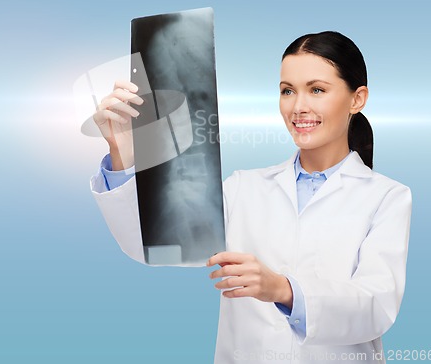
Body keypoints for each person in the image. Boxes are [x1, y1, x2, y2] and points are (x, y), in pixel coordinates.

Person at [89, 31, 412, 364]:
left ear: (357, 99)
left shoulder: (387, 197)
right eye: (288, 91)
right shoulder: (243, 188)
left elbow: (376, 305)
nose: (298, 107)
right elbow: (151, 245)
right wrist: (122, 153)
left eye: (317, 90)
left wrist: (282, 289)